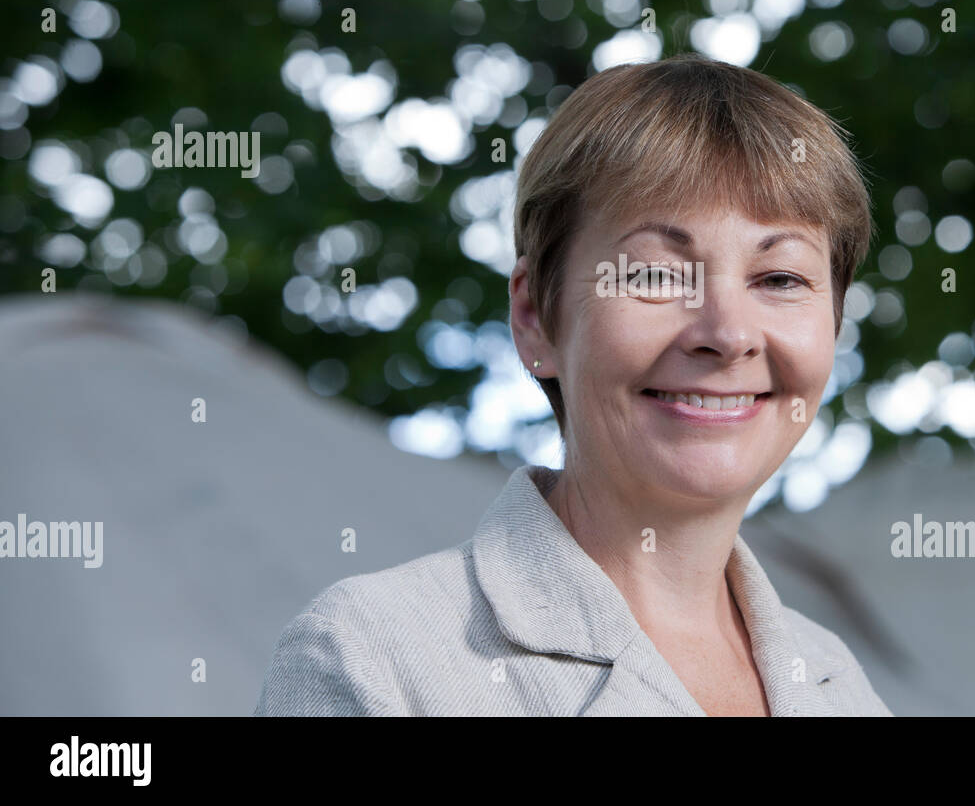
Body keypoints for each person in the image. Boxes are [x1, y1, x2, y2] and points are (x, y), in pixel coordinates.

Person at [254, 54, 892, 716]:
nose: (728, 334)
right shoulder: (376, 658)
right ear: (535, 318)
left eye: (780, 279)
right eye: (654, 275)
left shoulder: (840, 685)